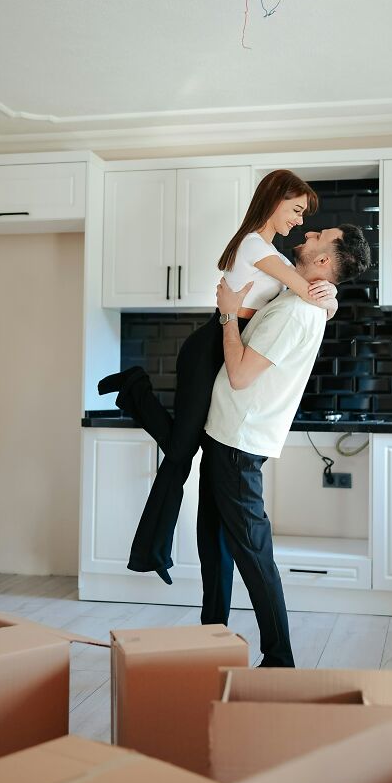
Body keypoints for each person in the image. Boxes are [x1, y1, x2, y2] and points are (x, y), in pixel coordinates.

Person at [97, 170, 338, 584]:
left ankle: (153, 551)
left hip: (225, 348)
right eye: (296, 210)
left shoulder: (277, 258)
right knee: (179, 453)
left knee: (180, 456)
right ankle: (135, 389)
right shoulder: (253, 245)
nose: (300, 221)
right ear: (275, 200)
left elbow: (313, 300)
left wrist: (330, 298)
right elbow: (305, 292)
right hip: (208, 349)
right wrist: (327, 294)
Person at [198, 224, 371, 666]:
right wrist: (330, 300)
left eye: (319, 236)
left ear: (324, 261)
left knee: (252, 552)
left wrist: (227, 316)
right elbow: (321, 303)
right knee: (215, 544)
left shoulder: (296, 311)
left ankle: (280, 658)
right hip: (228, 435)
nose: (308, 233)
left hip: (237, 440)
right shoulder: (301, 300)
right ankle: (210, 641)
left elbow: (240, 375)